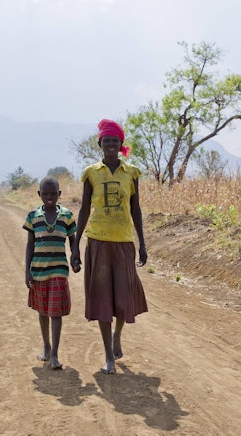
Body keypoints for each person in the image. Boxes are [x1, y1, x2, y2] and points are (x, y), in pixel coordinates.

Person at [71, 118, 148, 375]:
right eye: (107, 141)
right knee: (103, 299)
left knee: (125, 298)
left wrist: (142, 243)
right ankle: (108, 357)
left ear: (121, 143)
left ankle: (117, 336)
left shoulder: (131, 173)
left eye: (115, 140)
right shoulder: (91, 173)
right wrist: (75, 245)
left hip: (124, 241)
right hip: (99, 242)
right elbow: (83, 209)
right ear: (100, 144)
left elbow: (135, 209)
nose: (111, 145)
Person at [23, 176, 81, 370]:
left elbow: (73, 241)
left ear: (59, 194)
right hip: (39, 272)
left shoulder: (67, 215)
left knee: (56, 313)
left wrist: (75, 257)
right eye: (45, 194)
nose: (49, 197)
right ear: (39, 195)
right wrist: (27, 272)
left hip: (59, 271)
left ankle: (55, 353)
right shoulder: (32, 216)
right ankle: (46, 347)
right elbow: (30, 245)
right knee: (42, 312)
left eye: (53, 193)